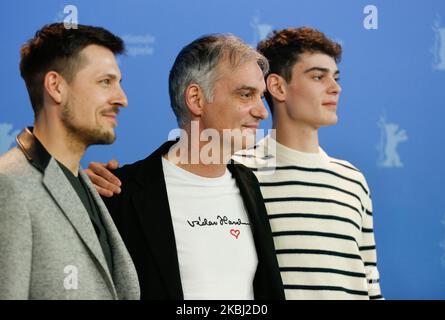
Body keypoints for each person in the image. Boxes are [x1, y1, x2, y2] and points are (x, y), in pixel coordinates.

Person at [86, 34, 284, 300]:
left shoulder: (249, 183)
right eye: (246, 94)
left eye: (261, 97)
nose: (262, 112)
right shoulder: (121, 193)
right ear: (196, 99)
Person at [233, 27, 383, 299]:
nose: (335, 88)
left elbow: (370, 284)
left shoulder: (353, 180)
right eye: (318, 76)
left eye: (335, 78)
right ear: (278, 87)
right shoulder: (238, 172)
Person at [0, 23, 139, 300]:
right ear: (55, 87)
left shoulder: (85, 184)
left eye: (118, 83)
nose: (121, 99)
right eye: (105, 82)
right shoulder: (9, 186)